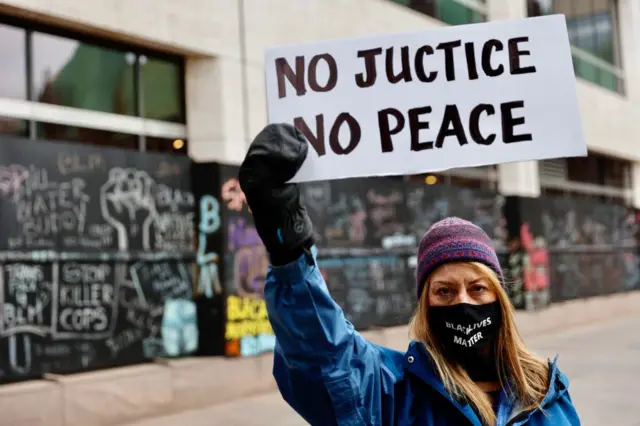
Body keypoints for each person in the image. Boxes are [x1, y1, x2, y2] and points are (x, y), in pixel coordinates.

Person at [238, 123, 580, 426]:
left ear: (499, 300)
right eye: (444, 292)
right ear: (426, 306)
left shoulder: (545, 391)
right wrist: (289, 245)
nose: (462, 302)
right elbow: (324, 356)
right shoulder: (395, 392)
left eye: (477, 289)